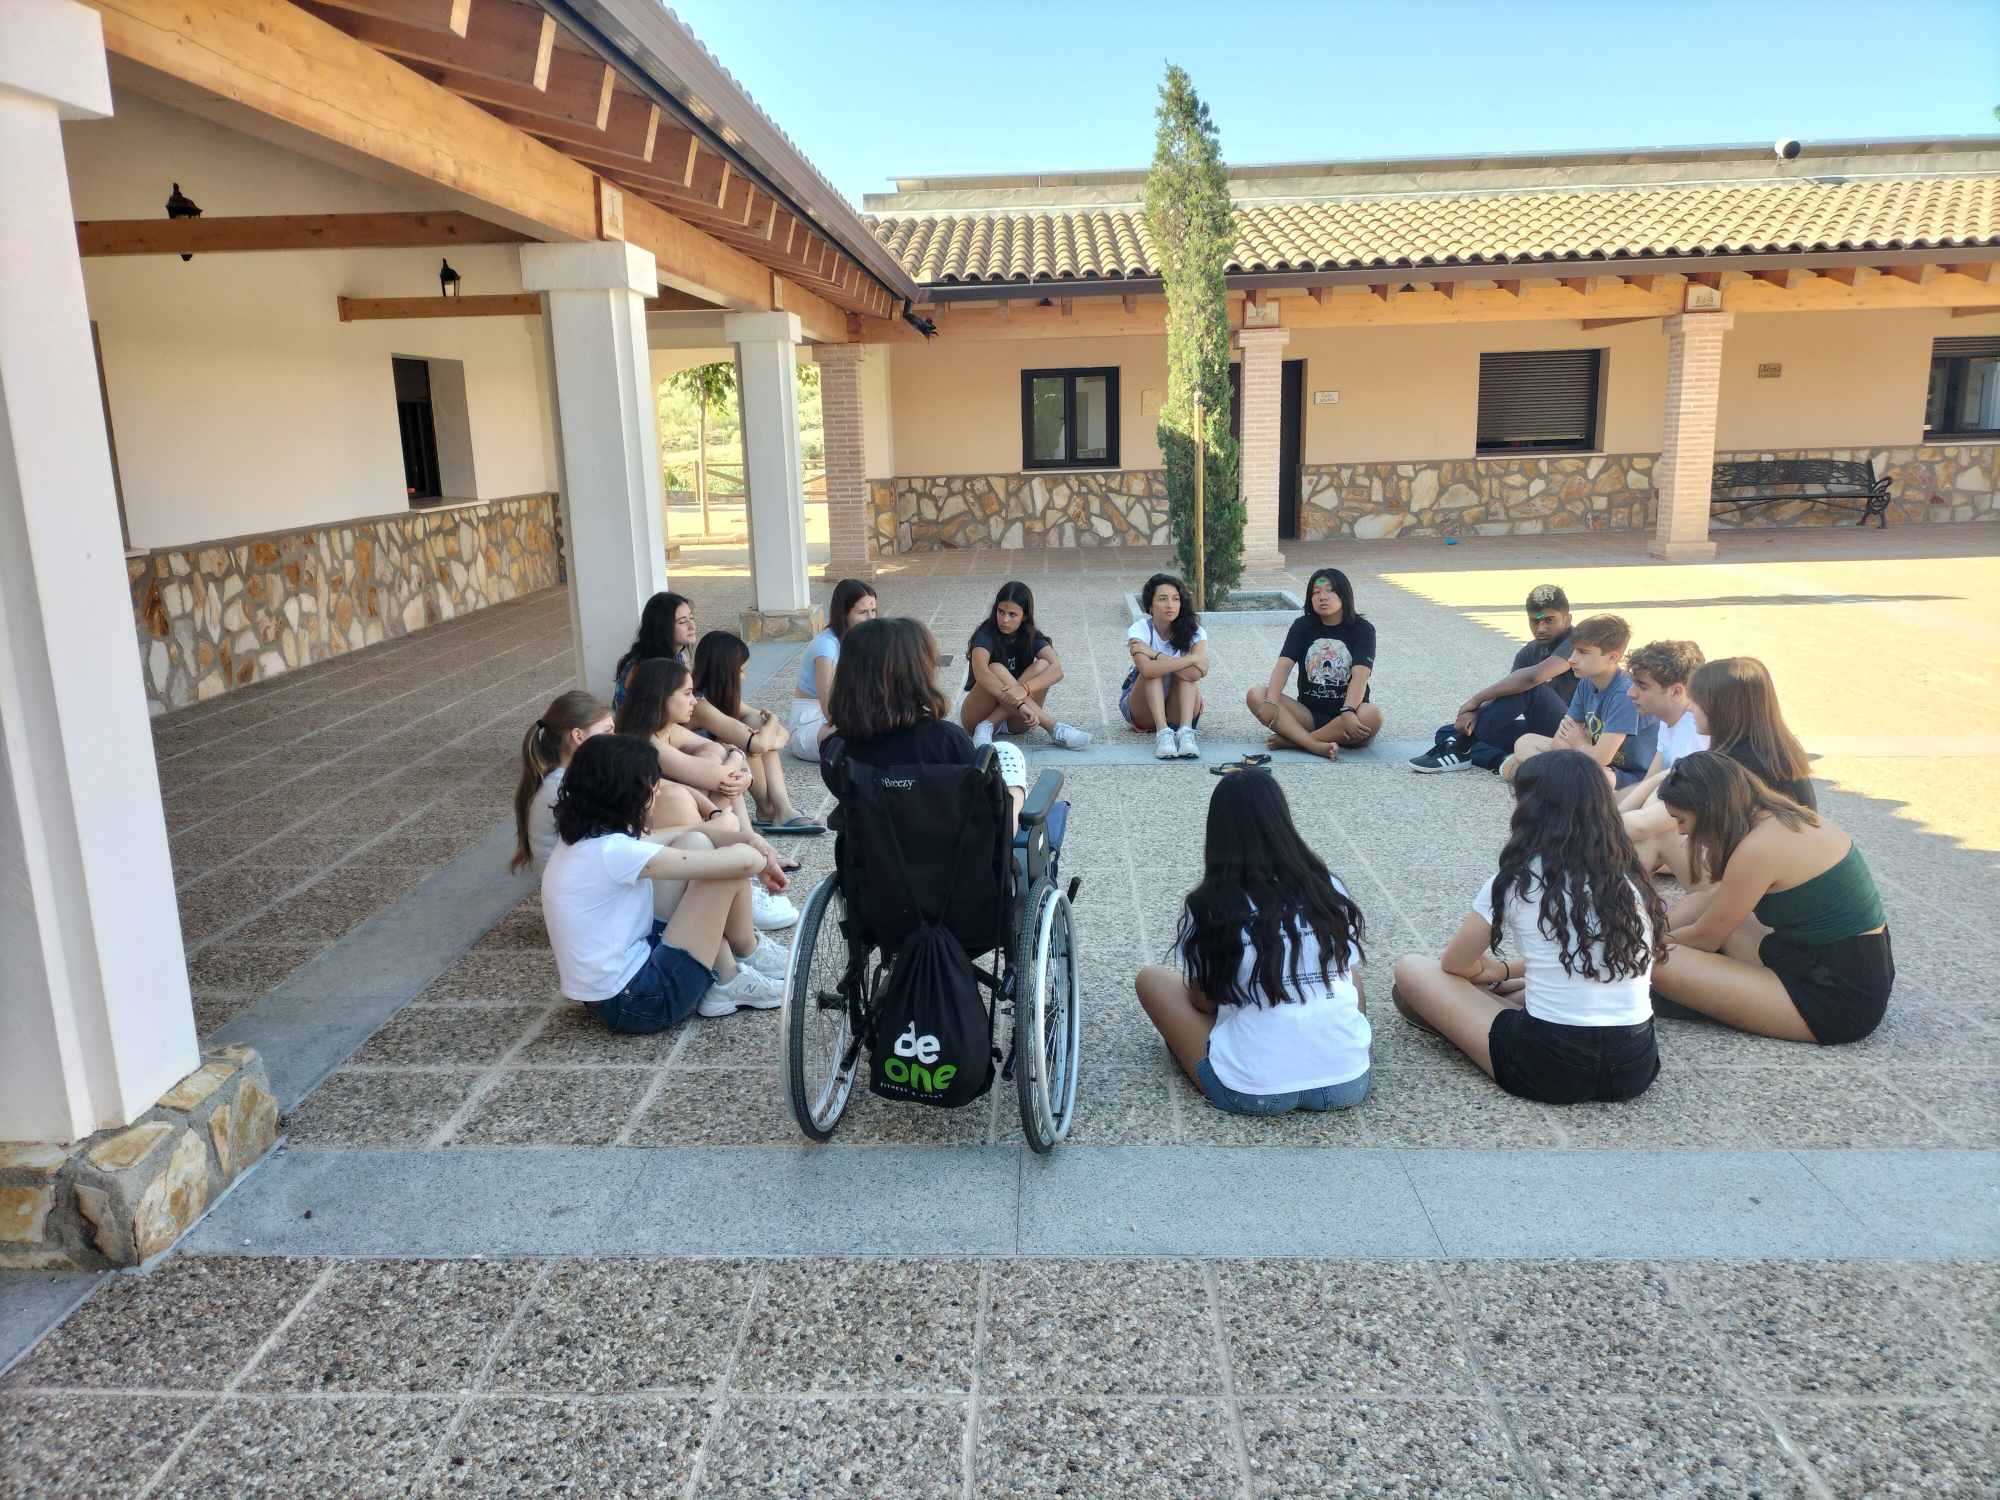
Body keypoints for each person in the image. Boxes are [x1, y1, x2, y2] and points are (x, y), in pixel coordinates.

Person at [1391, 750, 1665, 1105]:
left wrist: (1494, 969)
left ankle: (1470, 1014)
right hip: (1634, 1066)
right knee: (1524, 989)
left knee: (1411, 968)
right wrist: (1507, 972)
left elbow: (1454, 965)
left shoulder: (1517, 880)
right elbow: (1585, 955)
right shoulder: (1631, 879)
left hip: (1547, 1068)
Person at [1135, 770, 1372, 1116]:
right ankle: (1332, 1047)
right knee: (1348, 977)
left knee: (1152, 980)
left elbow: (1203, 1002)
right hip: (1348, 1082)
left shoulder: (1210, 904)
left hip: (1251, 1091)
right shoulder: (1329, 887)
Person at [542, 735, 787, 1034]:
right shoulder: (615, 852)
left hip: (611, 994)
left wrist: (748, 839)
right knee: (724, 875)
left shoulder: (585, 841)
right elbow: (743, 864)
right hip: (642, 1002)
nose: (657, 790)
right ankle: (746, 954)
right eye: (651, 783)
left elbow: (690, 836)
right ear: (628, 793)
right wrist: (758, 855)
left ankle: (727, 973)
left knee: (695, 843)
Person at [1650, 753, 1891, 1044]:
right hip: (1838, 963)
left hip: (1834, 999)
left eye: (1682, 819)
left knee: (1656, 963)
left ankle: (1634, 950)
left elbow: (1705, 938)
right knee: (1706, 901)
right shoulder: (1781, 817)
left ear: (1708, 810)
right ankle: (1643, 941)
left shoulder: (1757, 848)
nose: (1681, 831)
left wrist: (1634, 950)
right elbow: (1712, 906)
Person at [615, 656, 797, 931]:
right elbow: (725, 768)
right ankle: (741, 865)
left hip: (693, 821)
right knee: (714, 775)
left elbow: (731, 753)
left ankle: (746, 859)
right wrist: (734, 765)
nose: (694, 701)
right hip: (663, 835)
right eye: (687, 694)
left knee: (716, 762)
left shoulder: (669, 730)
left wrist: (735, 764)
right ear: (661, 696)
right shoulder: (648, 740)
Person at [823, 616, 1028, 829]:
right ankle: (1015, 804)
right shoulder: (947, 740)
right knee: (1006, 755)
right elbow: (979, 802)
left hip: (873, 857)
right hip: (953, 855)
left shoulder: (836, 750)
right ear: (917, 674)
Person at [1630, 656, 1814, 886]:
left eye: (1695, 701)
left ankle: (1616, 913)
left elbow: (1641, 825)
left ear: (1721, 708)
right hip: (1781, 873)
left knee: (1655, 834)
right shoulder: (1769, 749)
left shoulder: (1730, 765)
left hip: (1763, 885)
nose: (1688, 707)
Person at [1410, 583, 1575, 774]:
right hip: (1543, 732)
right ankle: (1503, 762)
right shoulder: (1529, 652)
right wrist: (1474, 713)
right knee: (1450, 731)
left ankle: (1463, 747)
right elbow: (1506, 698)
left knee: (1531, 688)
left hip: (1577, 734)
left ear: (1567, 619)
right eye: (1535, 622)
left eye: (1549, 620)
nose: (1541, 628)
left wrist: (1475, 700)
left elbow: (1533, 678)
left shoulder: (1579, 643)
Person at [690, 630, 824, 836]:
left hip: (724, 761)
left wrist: (770, 730)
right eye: (741, 670)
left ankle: (779, 809)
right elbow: (758, 745)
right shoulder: (700, 705)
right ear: (724, 672)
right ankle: (770, 809)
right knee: (752, 740)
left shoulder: (722, 699)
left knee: (757, 726)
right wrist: (772, 727)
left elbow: (783, 735)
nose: (745, 676)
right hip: (701, 768)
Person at [1502, 614, 1657, 788]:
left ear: (1613, 658)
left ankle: (1535, 776)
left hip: (1626, 775)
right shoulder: (1586, 682)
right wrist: (1578, 747)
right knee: (1525, 742)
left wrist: (1580, 744)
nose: (1571, 659)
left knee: (1600, 777)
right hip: (1586, 758)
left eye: (1583, 652)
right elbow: (1558, 741)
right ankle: (1549, 778)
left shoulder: (1625, 694)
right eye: (1573, 650)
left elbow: (1600, 759)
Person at [1245, 567, 1382, 761]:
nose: (1322, 597)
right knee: (1256, 694)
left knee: (1372, 715)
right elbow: (1283, 666)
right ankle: (1314, 744)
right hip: (1308, 715)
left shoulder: (1363, 629)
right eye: (1316, 592)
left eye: (1329, 590)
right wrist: (1271, 701)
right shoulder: (1302, 626)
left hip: (1347, 716)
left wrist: (1349, 709)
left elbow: (1360, 675)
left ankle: (1294, 741)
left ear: (1344, 594)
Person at [959, 581, 1092, 751]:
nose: (1004, 620)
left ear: (1025, 616)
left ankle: (989, 724)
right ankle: (1053, 727)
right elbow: (981, 673)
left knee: (1043, 665)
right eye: (1001, 612)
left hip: (1017, 720)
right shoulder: (985, 634)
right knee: (996, 668)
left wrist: (1024, 689)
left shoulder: (1031, 635)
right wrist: (1019, 703)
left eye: (1012, 614)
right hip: (977, 715)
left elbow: (1057, 670)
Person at [1615, 639, 1708, 860]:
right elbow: (1652, 778)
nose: (1630, 693)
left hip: (1704, 837)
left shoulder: (1696, 732)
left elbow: (1644, 822)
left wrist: (1611, 820)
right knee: (1612, 800)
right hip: (1681, 820)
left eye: (1642, 686)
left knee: (1641, 829)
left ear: (1676, 692)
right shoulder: (1667, 719)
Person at [511, 690, 613, 874]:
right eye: (607, 731)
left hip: (574, 874)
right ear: (578, 736)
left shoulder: (571, 776)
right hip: (575, 883)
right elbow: (607, 839)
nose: (615, 738)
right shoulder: (564, 785)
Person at [789, 578, 879, 763]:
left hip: (843, 717)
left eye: (873, 610)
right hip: (813, 725)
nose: (871, 618)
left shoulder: (860, 639)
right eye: (862, 612)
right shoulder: (827, 646)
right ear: (843, 614)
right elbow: (829, 709)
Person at [1123, 572, 1209, 761]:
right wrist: (1191, 659)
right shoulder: (1140, 629)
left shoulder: (1195, 631)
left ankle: (1186, 733)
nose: (1170, 604)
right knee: (1154, 672)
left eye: (1175, 599)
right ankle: (1163, 734)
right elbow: (1146, 670)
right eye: (1162, 599)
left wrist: (1155, 654)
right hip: (1143, 708)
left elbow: (1197, 673)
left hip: (1180, 709)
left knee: (1186, 676)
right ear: (1150, 606)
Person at [612, 591, 695, 708]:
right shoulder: (642, 669)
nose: (692, 626)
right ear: (662, 628)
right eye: (682, 622)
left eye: (691, 618)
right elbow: (649, 719)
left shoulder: (680, 657)